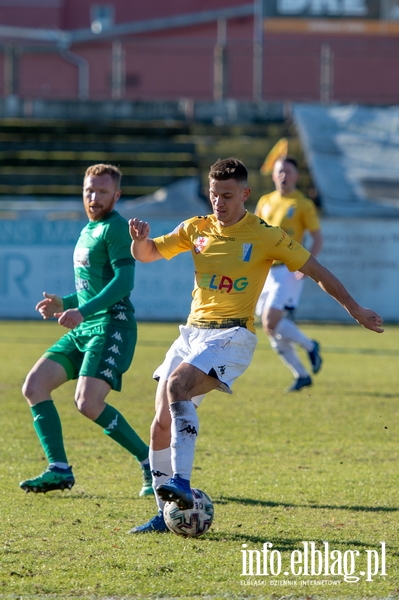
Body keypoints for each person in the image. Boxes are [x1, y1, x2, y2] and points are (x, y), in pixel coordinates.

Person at [128, 157, 383, 533]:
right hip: (192, 333)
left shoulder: (265, 234)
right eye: (214, 194)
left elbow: (316, 271)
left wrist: (355, 308)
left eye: (227, 195)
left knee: (176, 386)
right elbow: (148, 254)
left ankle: (180, 483)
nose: (219, 202)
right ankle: (166, 514)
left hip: (232, 336)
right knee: (159, 424)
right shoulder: (196, 228)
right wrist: (139, 242)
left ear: (245, 194)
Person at [20, 163, 153, 497]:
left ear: (116, 195)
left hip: (112, 324)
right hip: (86, 323)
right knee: (35, 386)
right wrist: (63, 303)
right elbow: (92, 288)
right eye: (89, 191)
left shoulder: (116, 228)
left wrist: (80, 311)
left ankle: (150, 462)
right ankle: (59, 469)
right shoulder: (88, 230)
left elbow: (124, 281)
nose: (94, 198)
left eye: (102, 192)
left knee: (87, 402)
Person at [255, 155, 323, 392]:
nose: (284, 176)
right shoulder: (264, 201)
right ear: (273, 175)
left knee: (270, 321)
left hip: (288, 269)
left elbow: (317, 238)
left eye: (288, 171)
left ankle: (310, 345)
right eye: (280, 171)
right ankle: (301, 374)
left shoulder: (302, 204)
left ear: (296, 176)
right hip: (265, 270)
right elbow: (254, 235)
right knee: (271, 329)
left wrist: (307, 266)